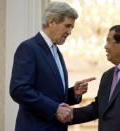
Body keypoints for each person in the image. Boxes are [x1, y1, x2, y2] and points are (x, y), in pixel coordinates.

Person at [9, 1, 95, 131]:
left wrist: (73, 93)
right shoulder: (28, 48)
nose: (70, 31)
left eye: (72, 27)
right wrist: (55, 109)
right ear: (51, 21)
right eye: (67, 25)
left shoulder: (56, 52)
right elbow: (19, 90)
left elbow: (53, 95)